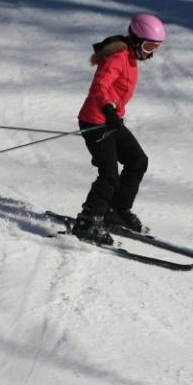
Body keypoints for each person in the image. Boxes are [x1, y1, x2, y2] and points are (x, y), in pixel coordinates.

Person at [71, 13, 166, 245]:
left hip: (112, 121)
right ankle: (87, 221)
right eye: (149, 45)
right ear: (135, 39)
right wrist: (108, 110)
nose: (151, 52)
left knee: (137, 161)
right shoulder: (117, 57)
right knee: (109, 174)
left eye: (156, 47)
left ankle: (117, 211)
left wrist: (113, 113)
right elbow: (100, 86)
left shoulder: (131, 58)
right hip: (95, 121)